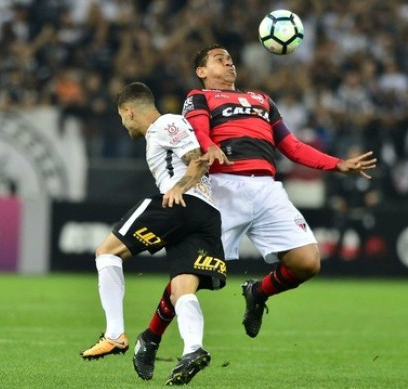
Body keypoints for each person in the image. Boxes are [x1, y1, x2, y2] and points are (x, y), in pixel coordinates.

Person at [132, 44, 377, 380]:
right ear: (202, 71)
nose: (228, 61)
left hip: (266, 189)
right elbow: (197, 131)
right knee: (189, 273)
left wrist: (337, 165)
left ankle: (258, 292)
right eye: (219, 58)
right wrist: (209, 144)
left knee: (307, 262)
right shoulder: (199, 97)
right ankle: (151, 337)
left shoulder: (262, 100)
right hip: (221, 190)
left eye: (230, 58)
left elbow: (290, 146)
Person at [80, 82, 227, 386]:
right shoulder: (158, 135)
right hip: (206, 215)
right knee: (181, 289)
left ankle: (114, 334)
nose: (124, 125)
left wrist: (178, 187)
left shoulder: (166, 124)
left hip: (181, 204)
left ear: (129, 111)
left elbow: (197, 159)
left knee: (106, 252)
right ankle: (193, 349)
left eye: (122, 118)